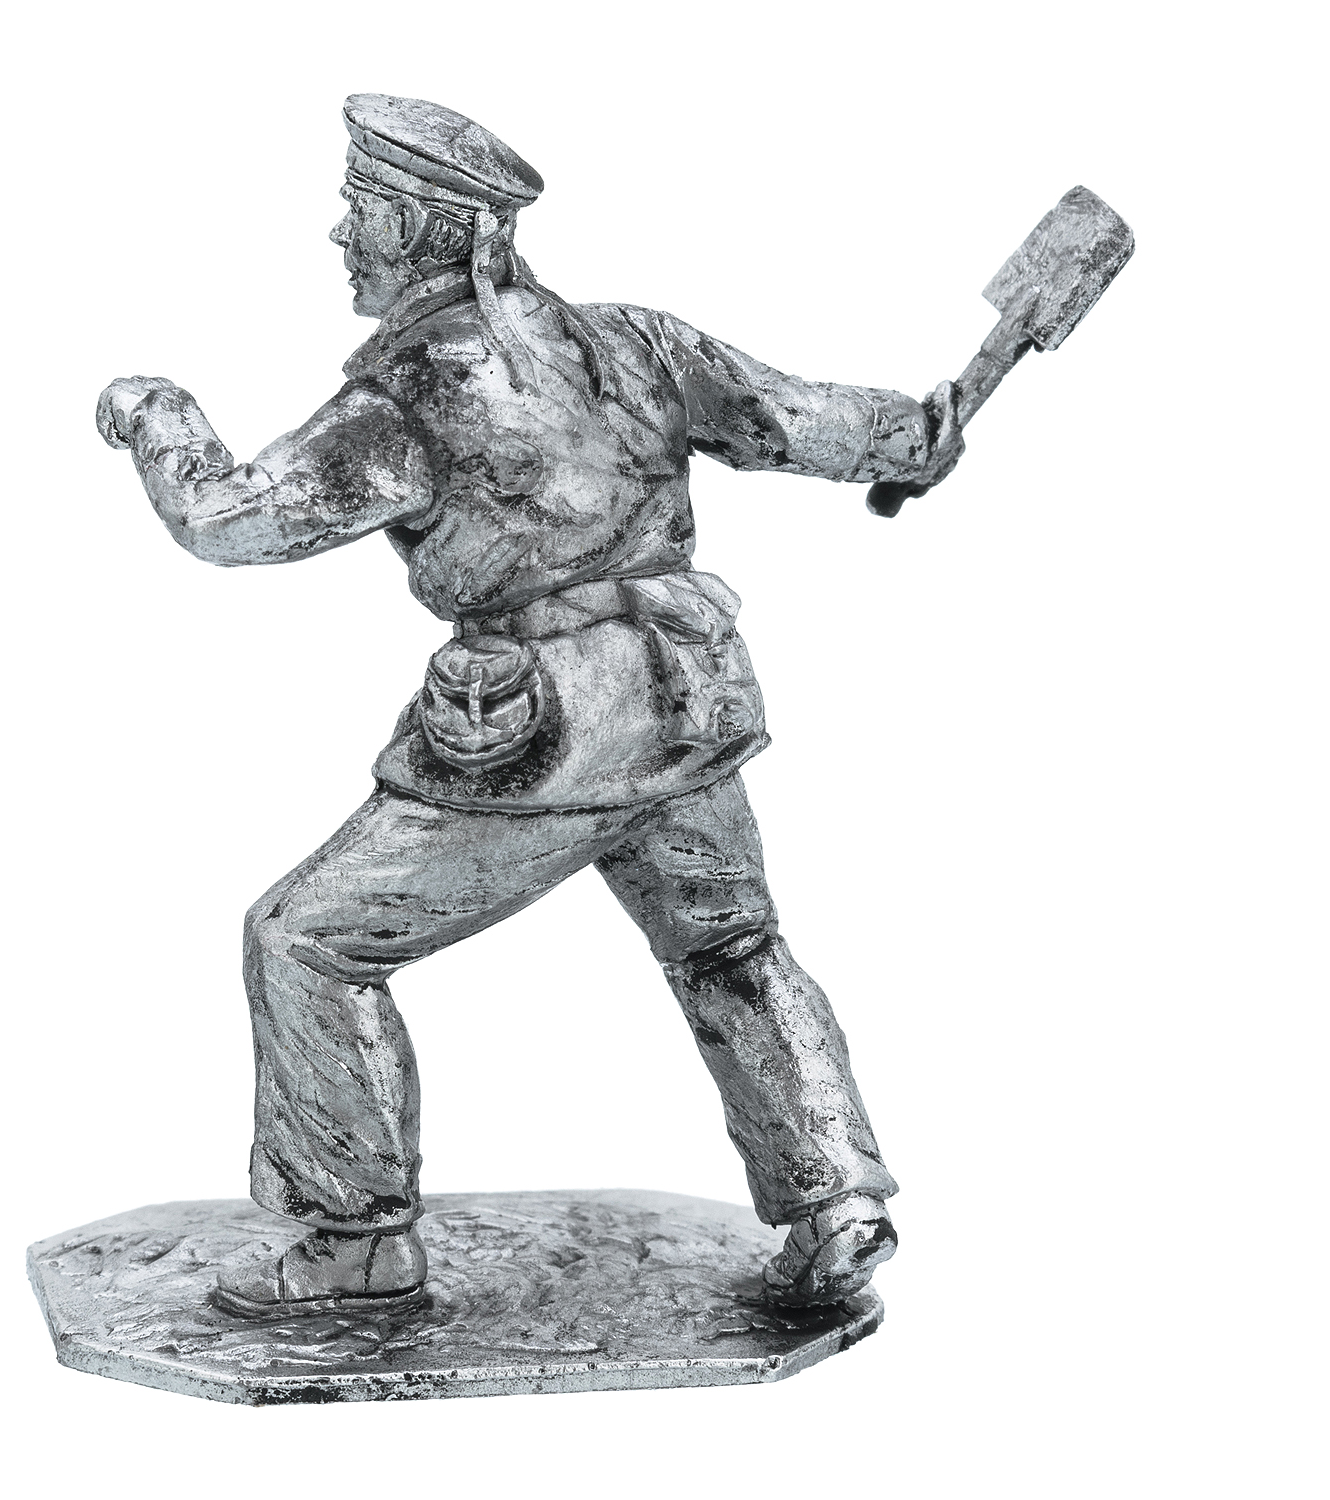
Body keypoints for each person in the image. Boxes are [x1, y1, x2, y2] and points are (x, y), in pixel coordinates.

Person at [97, 93, 963, 1318]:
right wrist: (913, 436)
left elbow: (234, 521)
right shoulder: (635, 343)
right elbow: (798, 420)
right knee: (730, 948)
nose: (341, 236)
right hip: (686, 702)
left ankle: (354, 1242)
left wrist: (159, 418)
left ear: (420, 229)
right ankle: (838, 1206)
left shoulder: (413, 399)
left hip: (542, 732)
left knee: (306, 942)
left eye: (360, 211)